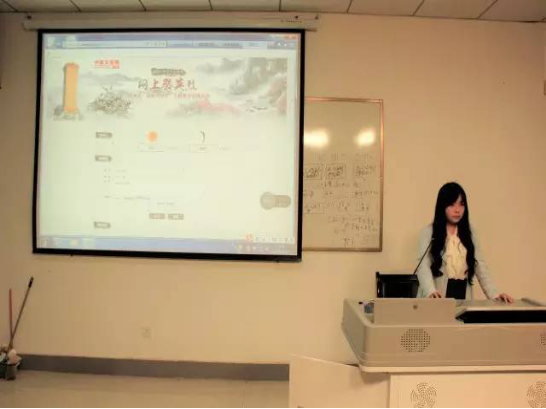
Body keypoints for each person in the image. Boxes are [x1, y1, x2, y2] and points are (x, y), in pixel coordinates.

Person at [416, 182, 514, 302]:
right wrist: (430, 291)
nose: (457, 210)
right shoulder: (428, 232)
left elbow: (480, 266)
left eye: (461, 204)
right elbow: (423, 266)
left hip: (462, 295)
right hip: (436, 297)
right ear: (442, 206)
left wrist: (495, 295)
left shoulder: (470, 233)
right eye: (452, 205)